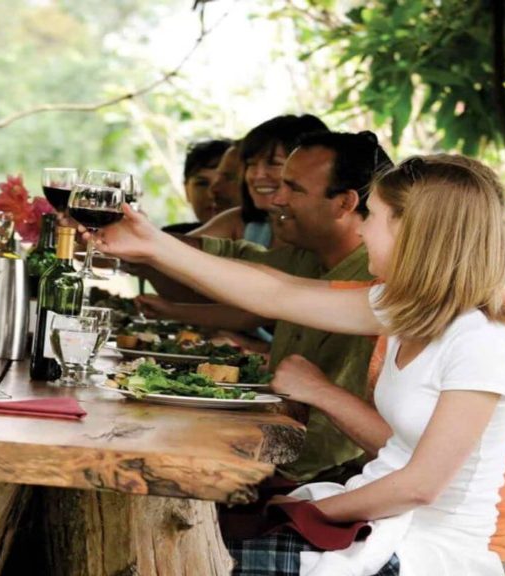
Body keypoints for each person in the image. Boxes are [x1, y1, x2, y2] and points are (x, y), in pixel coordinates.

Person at [93, 154, 505, 575]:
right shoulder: (405, 310)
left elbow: (421, 487)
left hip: (426, 550)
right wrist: (154, 244)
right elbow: (278, 293)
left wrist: (307, 511)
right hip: (374, 516)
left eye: (372, 215)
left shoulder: (481, 340)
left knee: (211, 553)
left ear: (413, 233)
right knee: (206, 531)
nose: (362, 227)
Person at [141, 132, 393, 484]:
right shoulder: (306, 256)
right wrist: (143, 245)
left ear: (345, 204)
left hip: (317, 485)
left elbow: (331, 449)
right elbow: (248, 272)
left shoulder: (387, 288)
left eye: (293, 188)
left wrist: (149, 246)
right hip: (277, 463)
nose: (274, 199)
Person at [191, 114, 328, 248]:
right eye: (251, 164)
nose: (257, 175)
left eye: (273, 163)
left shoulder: (331, 232)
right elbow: (179, 253)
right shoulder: (240, 223)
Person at [163, 138, 232, 234]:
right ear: (187, 191)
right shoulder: (168, 239)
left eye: (224, 182)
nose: (212, 194)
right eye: (202, 184)